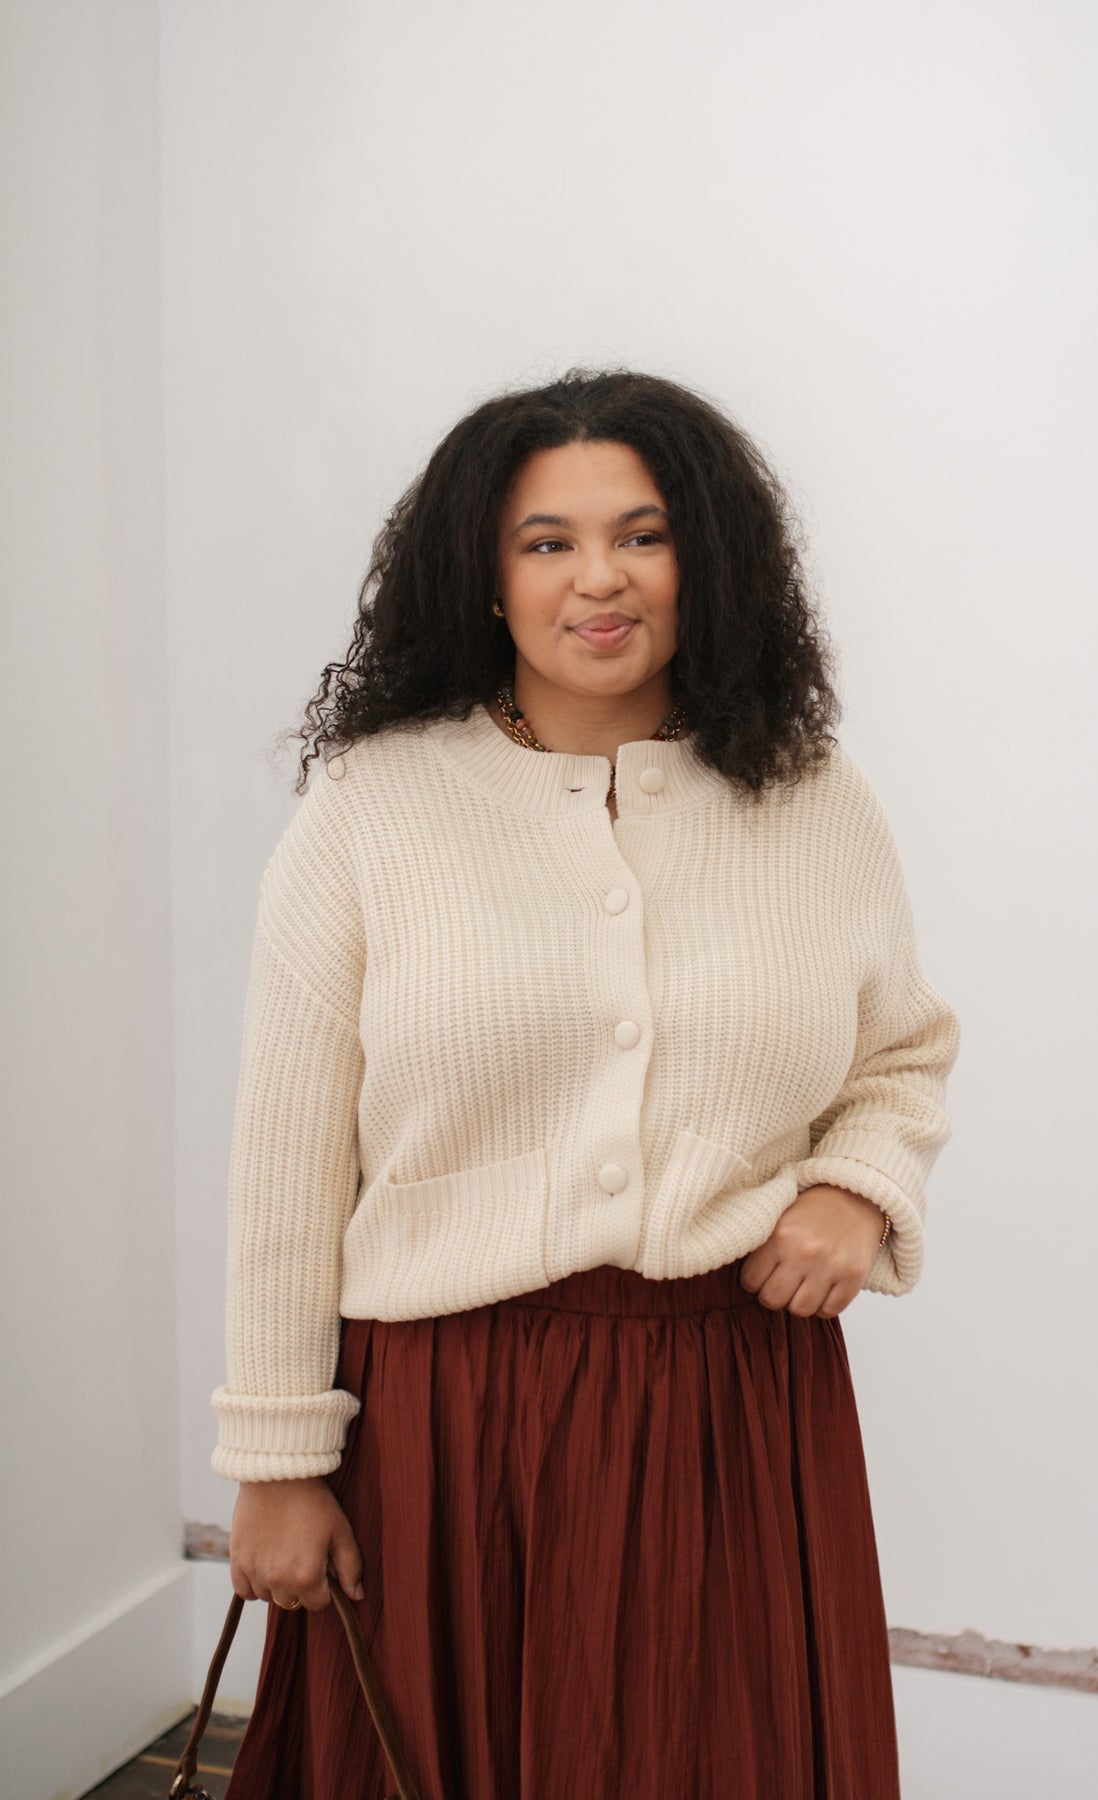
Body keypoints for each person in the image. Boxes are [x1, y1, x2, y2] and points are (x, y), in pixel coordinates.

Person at [212, 366, 960, 1799]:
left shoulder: (811, 796)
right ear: (486, 579)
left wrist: (859, 1190)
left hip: (732, 1408)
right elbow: (286, 1161)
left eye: (643, 534)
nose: (598, 578)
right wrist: (278, 1461)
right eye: (546, 541)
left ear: (705, 562)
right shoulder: (373, 807)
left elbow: (900, 1052)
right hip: (443, 1420)